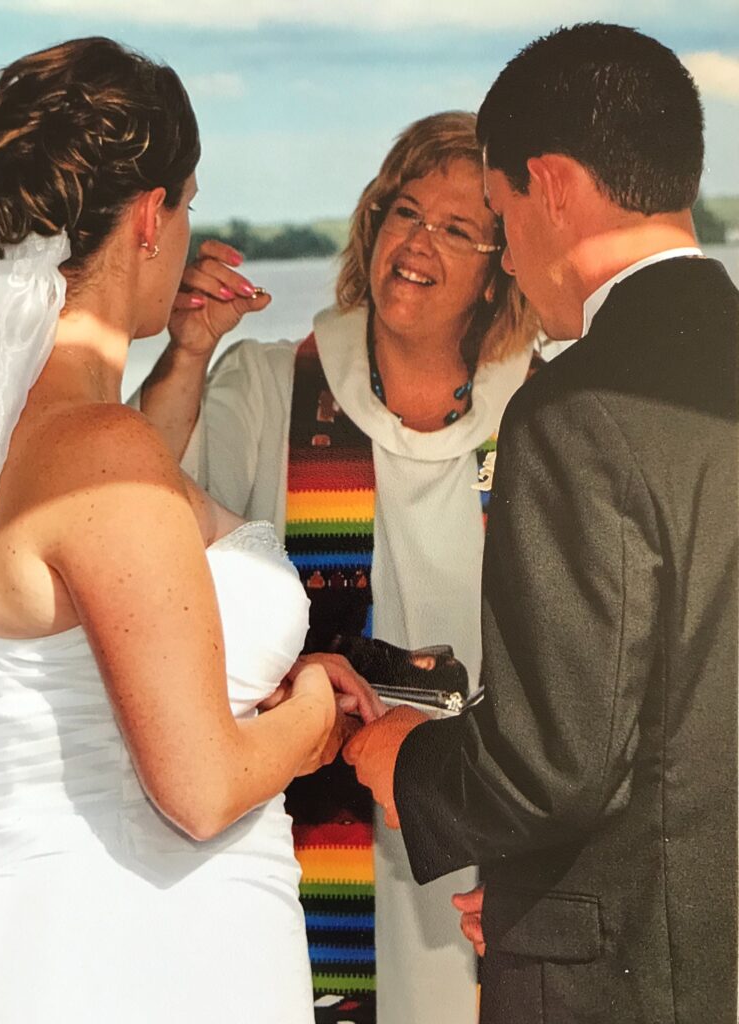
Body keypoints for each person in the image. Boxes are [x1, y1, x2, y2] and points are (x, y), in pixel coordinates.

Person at [0, 36, 381, 1024]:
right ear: (152, 214)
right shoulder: (96, 449)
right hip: (142, 946)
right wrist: (315, 711)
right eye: (188, 202)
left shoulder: (26, 432)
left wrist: (189, 351)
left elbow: (115, 556)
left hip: (64, 926)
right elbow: (197, 789)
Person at [344, 21, 739, 1024]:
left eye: (500, 209)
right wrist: (542, 899)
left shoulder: (576, 409)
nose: (509, 255)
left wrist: (402, 762)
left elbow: (556, 758)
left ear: (550, 185)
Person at [139, 111, 537, 1023]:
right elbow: (141, 516)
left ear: (500, 266)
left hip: (486, 830)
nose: (418, 241)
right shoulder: (270, 386)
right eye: (405, 211)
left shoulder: (540, 408)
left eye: (458, 228)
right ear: (371, 225)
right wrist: (189, 353)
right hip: (309, 812)